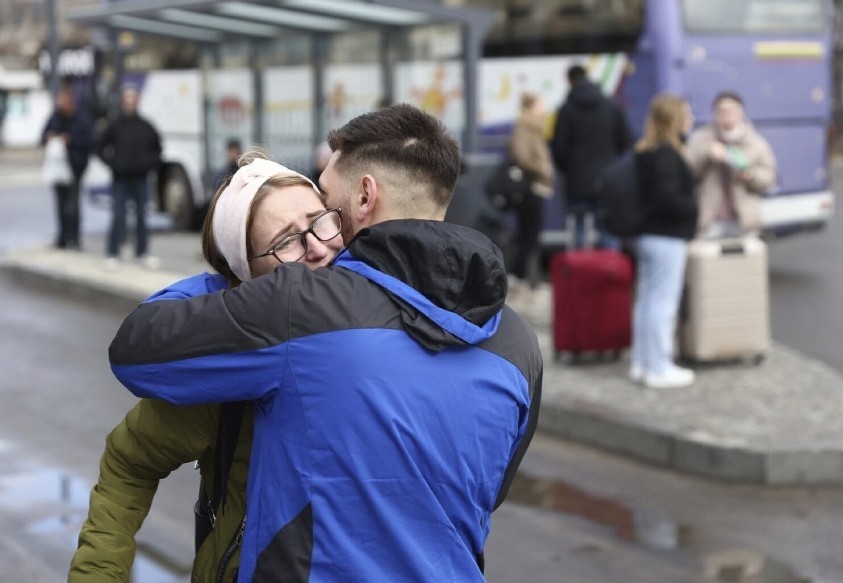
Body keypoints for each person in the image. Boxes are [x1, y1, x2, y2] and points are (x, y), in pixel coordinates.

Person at [108, 104, 542, 582]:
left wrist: (234, 285)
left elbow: (135, 348)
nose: (322, 240)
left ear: (364, 197)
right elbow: (488, 490)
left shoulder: (300, 307)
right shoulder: (519, 343)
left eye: (328, 208)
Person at [68, 152, 344, 583]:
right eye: (286, 241)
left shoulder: (385, 319)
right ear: (245, 275)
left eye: (321, 219)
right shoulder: (231, 366)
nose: (318, 247)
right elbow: (129, 464)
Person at [631, 94, 698, 389]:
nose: (691, 120)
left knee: (648, 301)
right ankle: (658, 367)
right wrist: (694, 207)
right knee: (663, 303)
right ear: (674, 120)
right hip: (666, 236)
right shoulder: (668, 155)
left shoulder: (647, 151)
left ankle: (643, 362)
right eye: (687, 115)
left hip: (649, 235)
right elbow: (668, 198)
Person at [550, 64, 632, 249]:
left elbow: (559, 148)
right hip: (607, 180)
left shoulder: (566, 110)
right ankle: (610, 274)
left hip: (577, 182)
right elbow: (626, 141)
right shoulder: (612, 106)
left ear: (569, 80)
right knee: (608, 230)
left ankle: (580, 274)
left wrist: (569, 170)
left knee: (578, 232)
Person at [685, 91, 777, 239]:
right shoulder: (701, 139)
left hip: (743, 220)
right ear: (714, 113)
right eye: (722, 111)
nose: (727, 115)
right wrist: (707, 155)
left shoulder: (756, 142)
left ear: (741, 112)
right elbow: (687, 173)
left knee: (743, 261)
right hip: (709, 219)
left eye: (732, 110)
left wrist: (749, 175)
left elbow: (769, 178)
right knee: (708, 260)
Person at [97, 84, 162, 270]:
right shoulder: (115, 125)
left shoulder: (145, 125)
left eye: (133, 100)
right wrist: (113, 163)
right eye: (127, 100)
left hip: (140, 177)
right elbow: (100, 146)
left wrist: (149, 164)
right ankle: (112, 253)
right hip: (120, 177)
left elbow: (157, 148)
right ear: (123, 103)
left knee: (142, 216)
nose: (130, 104)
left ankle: (142, 252)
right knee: (118, 215)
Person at [507, 91, 553, 294]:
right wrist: (542, 169)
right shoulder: (524, 129)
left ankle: (523, 277)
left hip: (538, 187)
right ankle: (519, 276)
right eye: (540, 105)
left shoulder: (533, 129)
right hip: (531, 188)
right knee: (528, 235)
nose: (544, 110)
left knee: (531, 234)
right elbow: (523, 157)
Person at [40, 86, 95, 250]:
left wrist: (71, 140)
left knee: (73, 207)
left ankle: (75, 238)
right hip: (57, 170)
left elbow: (90, 141)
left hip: (75, 168)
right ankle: (62, 237)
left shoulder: (82, 119)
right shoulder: (54, 118)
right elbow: (42, 136)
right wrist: (49, 137)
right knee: (60, 205)